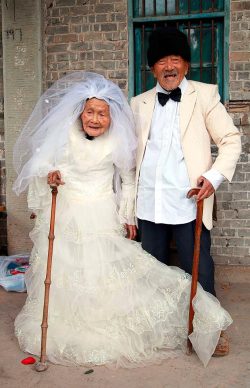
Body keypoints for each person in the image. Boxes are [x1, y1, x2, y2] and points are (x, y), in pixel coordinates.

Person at [14, 72, 232, 368]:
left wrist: (126, 213)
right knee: (66, 273)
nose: (95, 118)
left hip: (102, 212)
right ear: (80, 113)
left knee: (104, 272)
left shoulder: (117, 140)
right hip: (67, 214)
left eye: (102, 113)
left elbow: (128, 178)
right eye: (90, 112)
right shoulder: (64, 137)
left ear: (111, 117)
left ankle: (200, 319)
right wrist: (50, 177)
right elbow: (43, 165)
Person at [130, 28, 241, 357]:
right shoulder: (138, 103)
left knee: (200, 269)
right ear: (152, 68)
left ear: (186, 65)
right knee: (153, 270)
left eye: (175, 59)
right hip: (149, 202)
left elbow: (231, 139)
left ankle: (210, 330)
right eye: (161, 60)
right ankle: (162, 328)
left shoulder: (205, 96)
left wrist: (213, 177)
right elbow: (125, 157)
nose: (168, 66)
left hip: (189, 201)